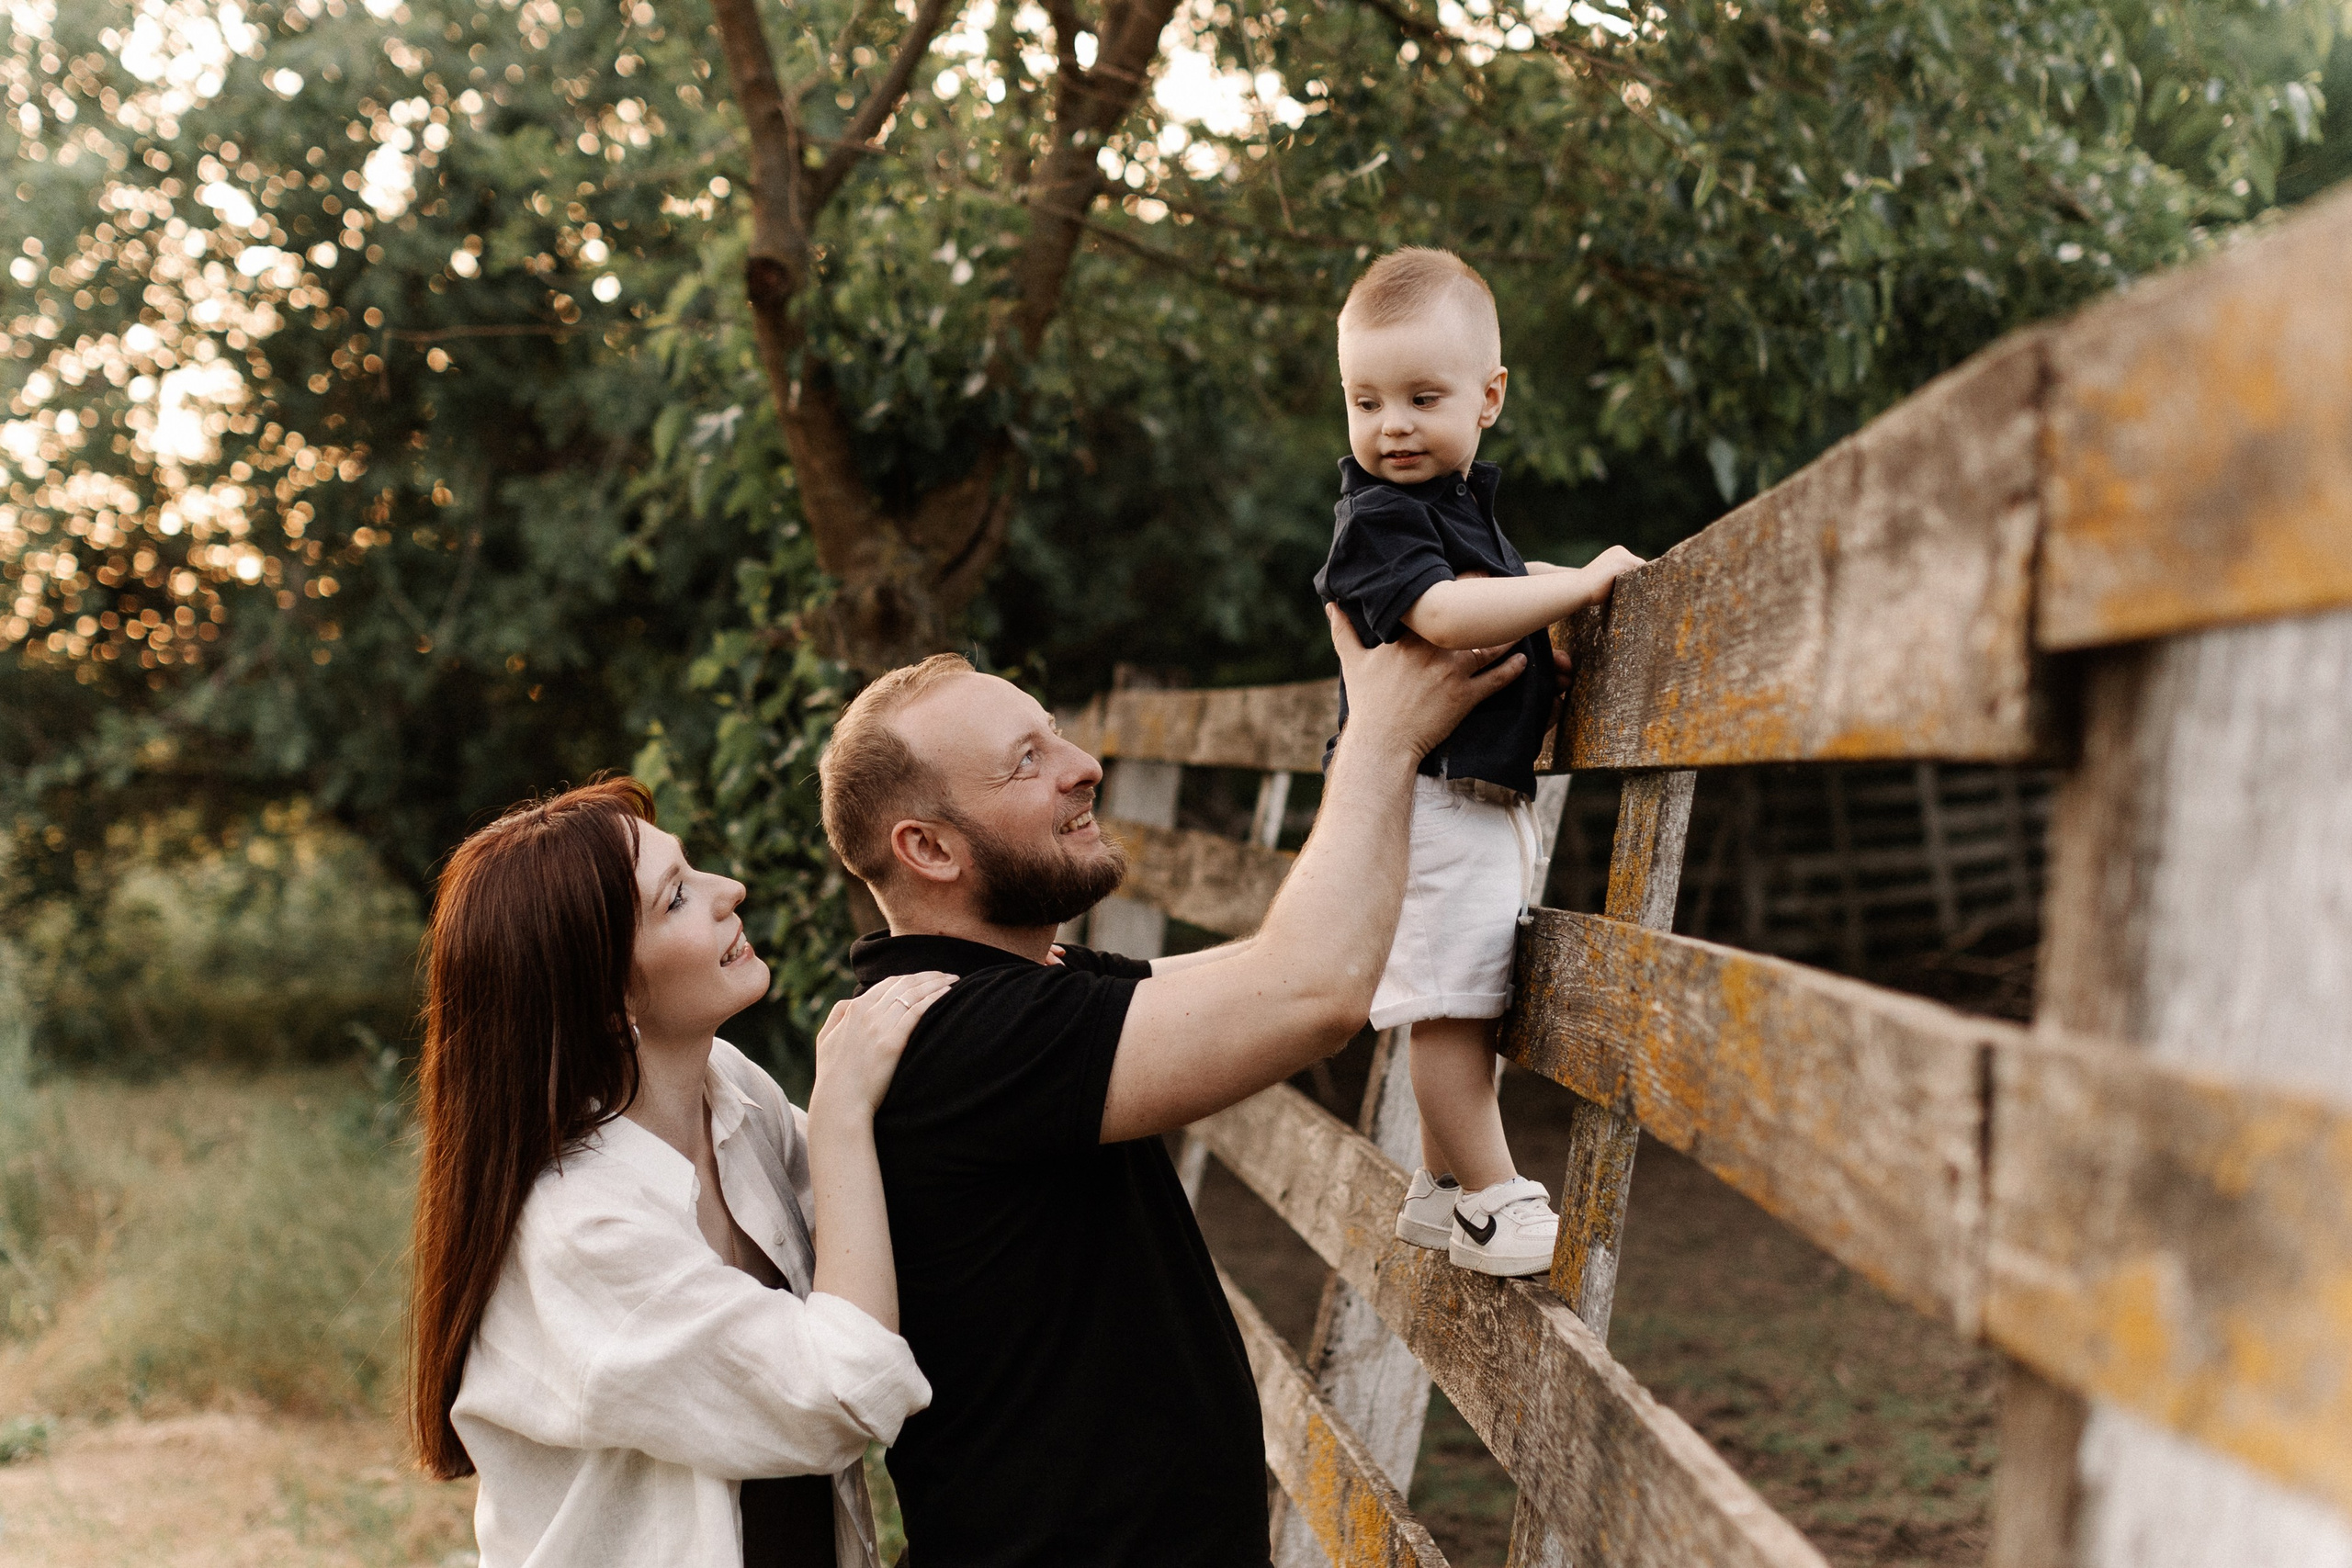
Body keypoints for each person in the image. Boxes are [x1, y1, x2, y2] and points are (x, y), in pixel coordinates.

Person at [816, 610, 1524, 1565]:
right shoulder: (956, 1036)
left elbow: (1284, 969)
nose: (1081, 765)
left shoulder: (1021, 989)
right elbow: (1307, 994)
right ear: (931, 850)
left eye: (1055, 731)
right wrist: (1383, 734)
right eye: (1026, 760)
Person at [405, 777, 944, 1568]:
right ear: (605, 998)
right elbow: (841, 1393)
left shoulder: (726, 1089)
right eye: (677, 897)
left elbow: (883, 1216)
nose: (731, 891)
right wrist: (840, 1113)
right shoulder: (580, 1227)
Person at [1314, 246, 1645, 1277]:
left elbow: (1487, 582)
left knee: (1469, 990)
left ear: (1489, 396)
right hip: (1424, 800)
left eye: (1421, 396)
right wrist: (1578, 587)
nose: (1391, 425)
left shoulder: (1448, 509)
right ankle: (1494, 1201)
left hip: (1463, 798)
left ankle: (1443, 1188)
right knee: (1449, 1009)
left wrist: (1541, 586)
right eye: (1365, 401)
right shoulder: (1376, 517)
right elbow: (1445, 610)